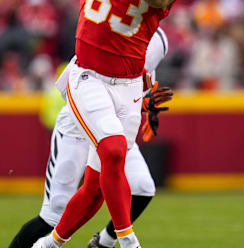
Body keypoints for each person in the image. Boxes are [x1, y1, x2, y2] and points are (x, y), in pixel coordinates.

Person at [32, 0, 191, 247]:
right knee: (114, 150)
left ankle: (49, 244)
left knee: (96, 185)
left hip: (128, 87)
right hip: (88, 74)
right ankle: (127, 241)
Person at [9, 28, 171, 248]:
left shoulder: (158, 38)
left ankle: (103, 242)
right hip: (80, 124)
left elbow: (142, 84)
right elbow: (79, 80)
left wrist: (147, 107)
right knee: (53, 213)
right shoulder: (111, 23)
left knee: (142, 187)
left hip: (114, 125)